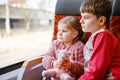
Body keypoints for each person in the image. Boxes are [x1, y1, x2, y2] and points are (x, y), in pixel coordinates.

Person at [78, 0, 120, 80]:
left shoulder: (104, 37)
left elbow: (97, 70)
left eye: (86, 18)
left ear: (101, 20)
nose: (81, 21)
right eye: (81, 16)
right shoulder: (95, 36)